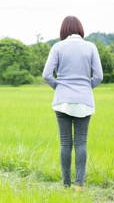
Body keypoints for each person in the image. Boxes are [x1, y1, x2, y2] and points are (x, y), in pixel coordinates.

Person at [42, 16, 103, 190]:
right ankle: (80, 185)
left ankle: (66, 184)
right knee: (81, 142)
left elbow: (46, 75)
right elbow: (99, 76)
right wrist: (85, 87)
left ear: (64, 30)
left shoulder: (57, 47)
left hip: (62, 101)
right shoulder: (91, 47)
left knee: (65, 143)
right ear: (80, 29)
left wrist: (59, 87)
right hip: (84, 101)